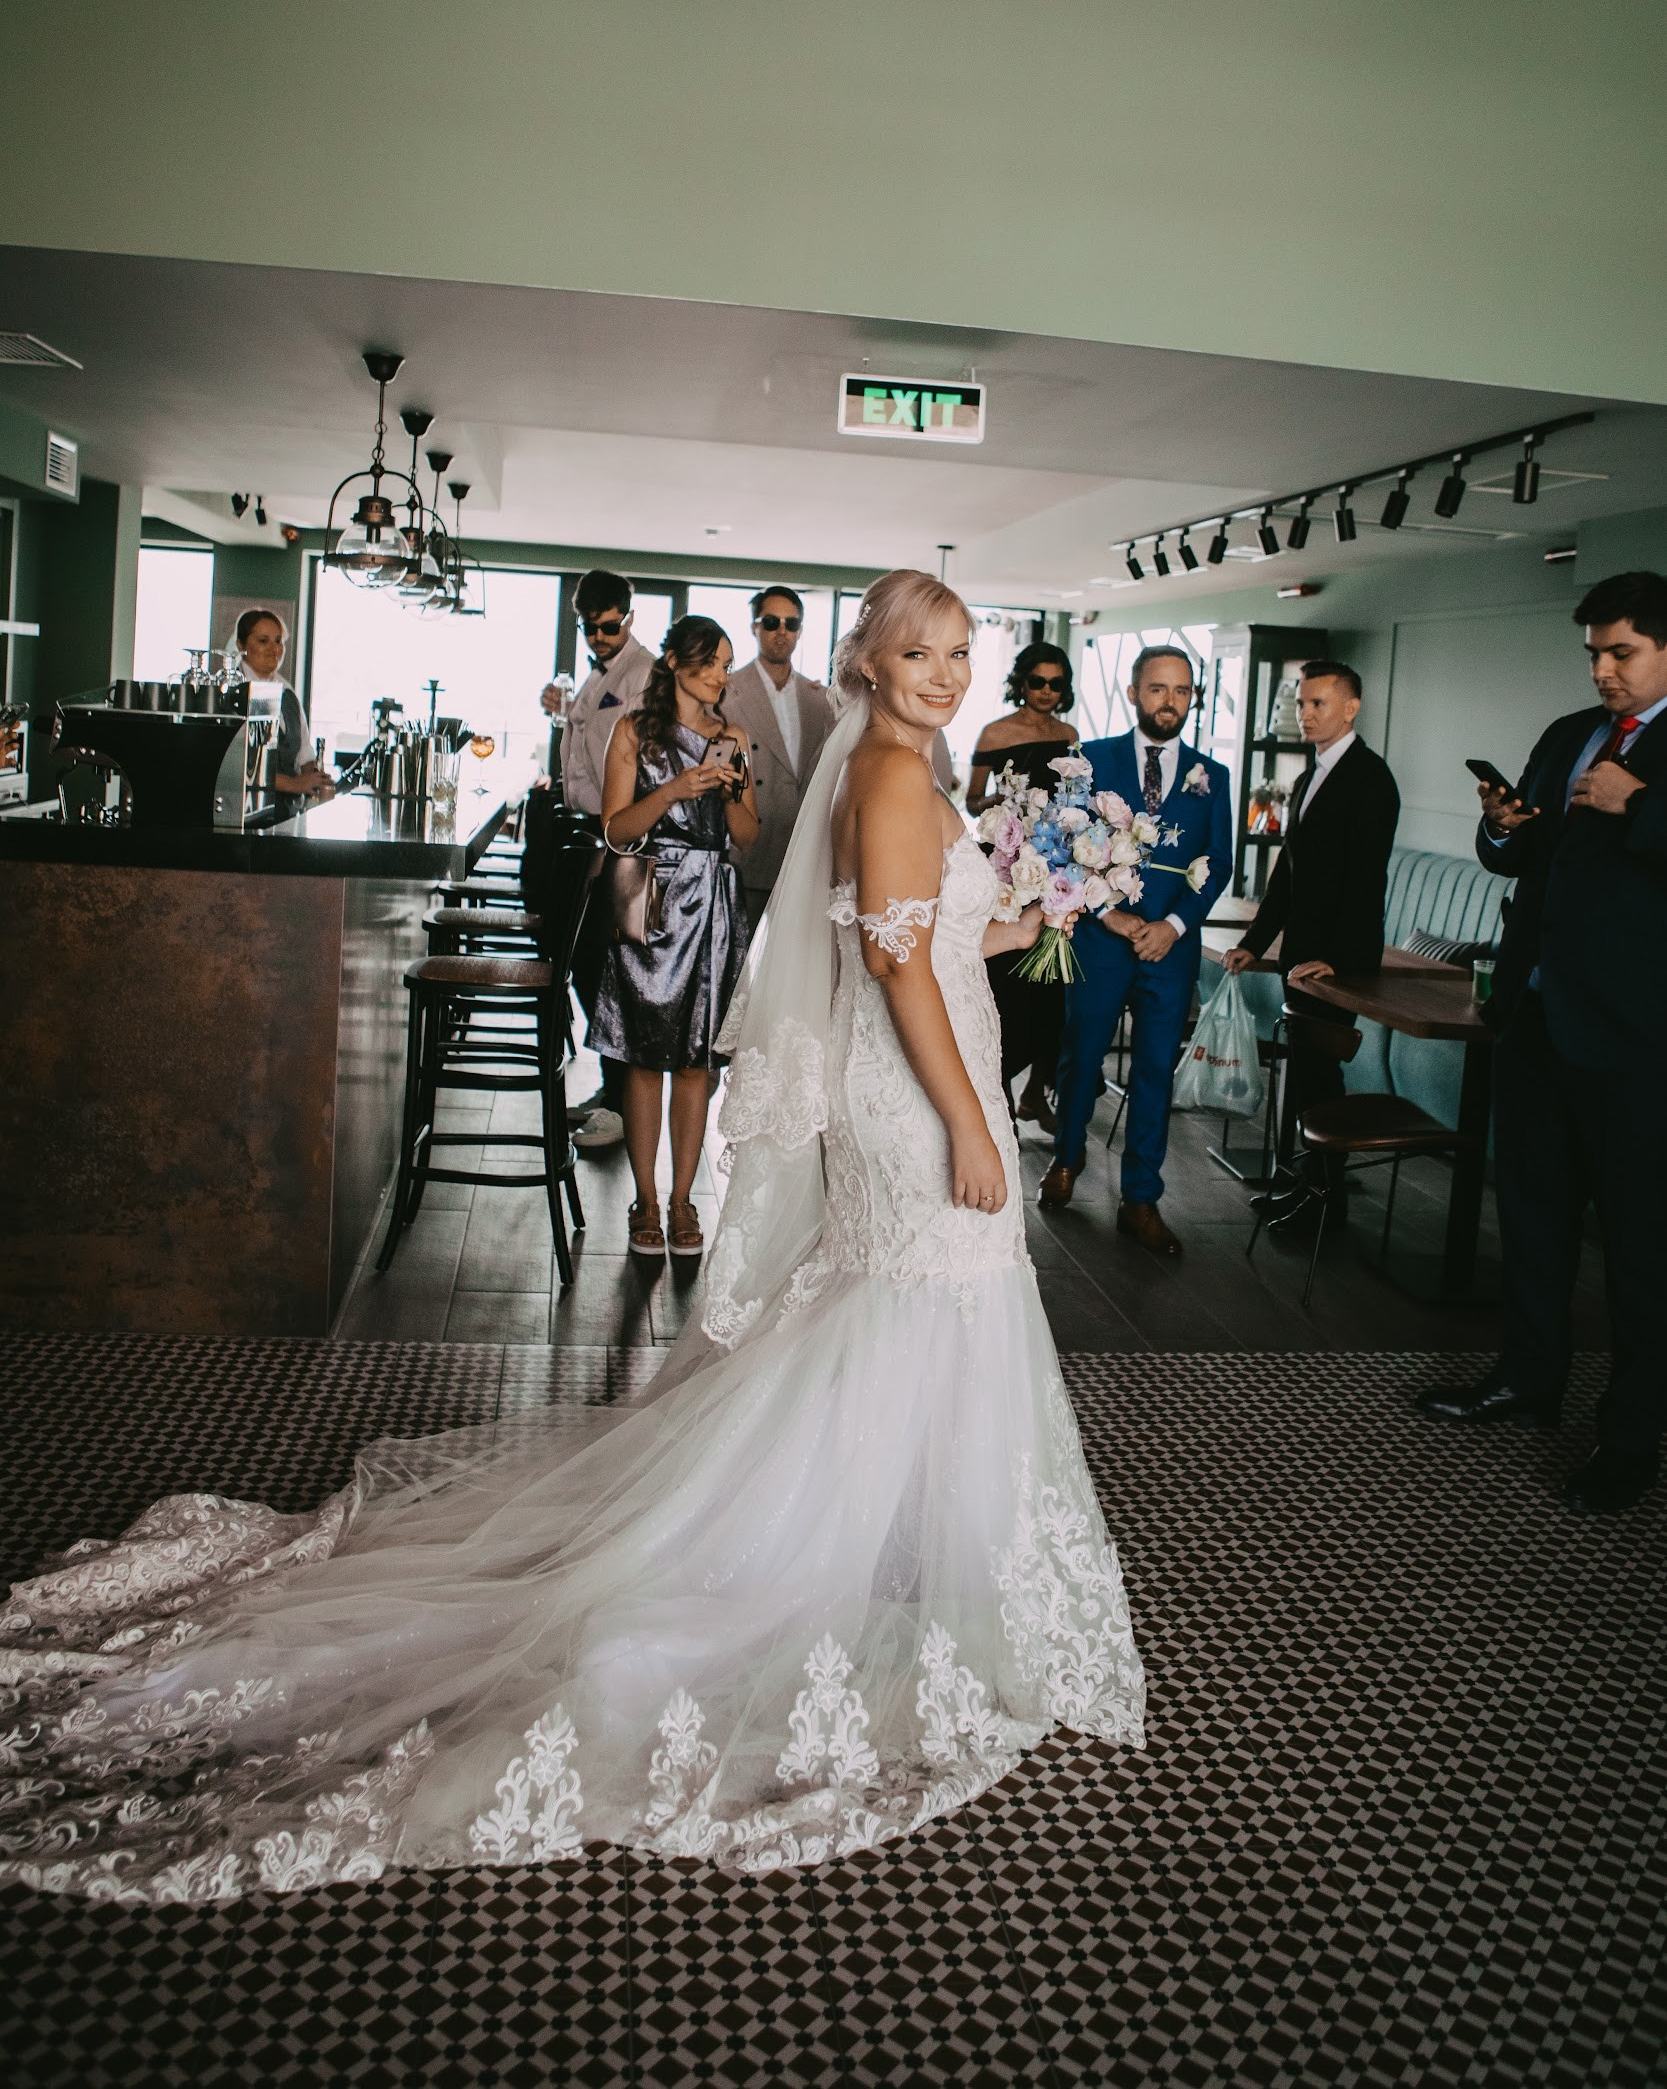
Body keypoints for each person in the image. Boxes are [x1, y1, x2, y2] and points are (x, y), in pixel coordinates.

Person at [0, 568, 1144, 1901]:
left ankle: (898, 1549)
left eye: (960, 651)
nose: (945, 672)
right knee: (918, 1305)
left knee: (896, 1316)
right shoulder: (891, 779)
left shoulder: (907, 772)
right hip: (918, 1096)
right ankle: (854, 1563)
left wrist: (1039, 909)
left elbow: (938, 938)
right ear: (871, 666)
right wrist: (961, 1123)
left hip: (927, 1075)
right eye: (920, 652)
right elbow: (892, 974)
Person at [1416, 570, 1667, 1516]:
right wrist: (1500, 828)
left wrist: (1635, 805)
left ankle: (1630, 1438)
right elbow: (1522, 854)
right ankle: (1528, 1380)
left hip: (1639, 1039)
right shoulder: (1571, 735)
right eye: (1594, 653)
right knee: (1530, 1215)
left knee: (1640, 1249)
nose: (1602, 670)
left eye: (1621, 653)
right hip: (1536, 1016)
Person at [1040, 646, 1232, 1252]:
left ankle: (1141, 1199)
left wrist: (1173, 925)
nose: (1169, 701)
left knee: (1154, 1071)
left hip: (1170, 951)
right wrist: (1111, 915)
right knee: (1081, 1055)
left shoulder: (1212, 776)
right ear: (1133, 692)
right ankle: (1066, 1159)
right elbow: (1061, 848)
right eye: (1157, 688)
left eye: (1181, 690)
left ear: (1191, 697)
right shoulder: (1089, 761)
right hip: (1101, 941)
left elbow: (1219, 862)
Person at [593, 616, 758, 1262]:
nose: (720, 675)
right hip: (651, 899)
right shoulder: (634, 731)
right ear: (671, 661)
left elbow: (747, 837)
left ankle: (684, 1198)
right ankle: (644, 1197)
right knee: (642, 1057)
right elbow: (613, 831)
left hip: (713, 901)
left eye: (724, 663)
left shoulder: (732, 736)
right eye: (710, 662)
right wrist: (673, 789)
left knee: (696, 1061)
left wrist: (732, 789)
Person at [1223, 659, 1399, 1234]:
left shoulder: (1371, 779)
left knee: (1321, 1076)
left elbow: (1367, 879)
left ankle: (1326, 1203)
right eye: (1301, 703)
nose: (1305, 714)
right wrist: (1256, 941)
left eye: (1318, 703)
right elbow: (1288, 876)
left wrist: (1343, 963)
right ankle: (1300, 1185)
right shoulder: (1306, 777)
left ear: (1351, 708)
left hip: (1335, 960)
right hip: (1301, 952)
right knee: (1303, 1075)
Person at [548, 571, 654, 1151]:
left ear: (629, 617)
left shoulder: (643, 674)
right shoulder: (597, 674)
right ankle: (611, 1091)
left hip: (621, 837)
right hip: (589, 832)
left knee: (607, 970)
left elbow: (629, 759)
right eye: (590, 627)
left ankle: (622, 1103)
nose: (600, 636)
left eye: (610, 625)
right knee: (589, 969)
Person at [967, 640, 1082, 1126]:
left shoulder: (1069, 733)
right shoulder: (996, 732)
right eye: (1038, 681)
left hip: (1054, 865)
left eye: (1056, 683)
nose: (1046, 691)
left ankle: (1037, 1088)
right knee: (1008, 982)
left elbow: (1077, 794)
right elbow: (971, 801)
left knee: (1051, 984)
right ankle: (998, 1092)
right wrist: (1010, 799)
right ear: (1022, 682)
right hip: (1005, 863)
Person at [718, 585, 836, 934]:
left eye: (791, 623)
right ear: (754, 627)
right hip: (749, 855)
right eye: (771, 622)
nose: (782, 632)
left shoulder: (820, 699)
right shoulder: (726, 692)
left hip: (803, 855)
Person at [233, 608, 335, 802]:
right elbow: (238, 764)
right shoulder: (234, 692)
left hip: (287, 811)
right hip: (246, 809)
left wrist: (313, 776)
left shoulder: (286, 691)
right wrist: (295, 784)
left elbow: (303, 751)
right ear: (241, 645)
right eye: (263, 641)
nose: (275, 649)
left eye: (278, 641)